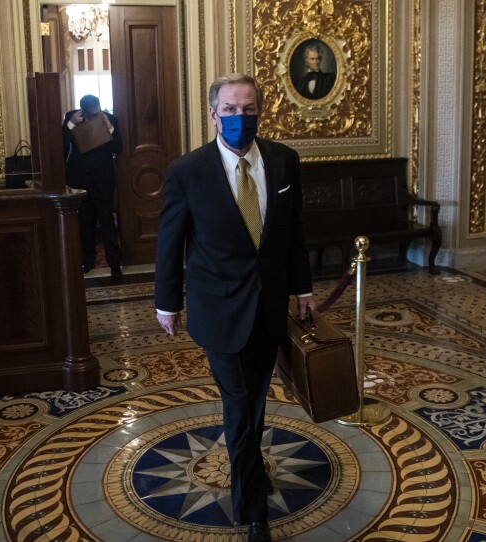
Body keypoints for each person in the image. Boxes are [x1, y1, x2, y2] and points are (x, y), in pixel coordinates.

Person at [154, 73, 316, 542]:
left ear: (259, 112)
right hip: (219, 311)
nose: (239, 118)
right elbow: (171, 242)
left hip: (269, 308)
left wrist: (303, 288)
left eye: (248, 109)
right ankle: (252, 510)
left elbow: (294, 234)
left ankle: (249, 473)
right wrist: (168, 301)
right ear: (213, 114)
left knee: (255, 398)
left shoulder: (285, 162)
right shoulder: (188, 171)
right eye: (229, 110)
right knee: (241, 405)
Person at [62, 94, 124, 277]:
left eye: (98, 110)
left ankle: (115, 265)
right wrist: (71, 125)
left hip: (103, 181)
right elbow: (61, 146)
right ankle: (87, 262)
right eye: (92, 112)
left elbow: (118, 148)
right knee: (84, 224)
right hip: (80, 181)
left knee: (107, 224)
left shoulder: (110, 118)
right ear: (84, 110)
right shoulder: (71, 117)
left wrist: (110, 128)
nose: (96, 114)